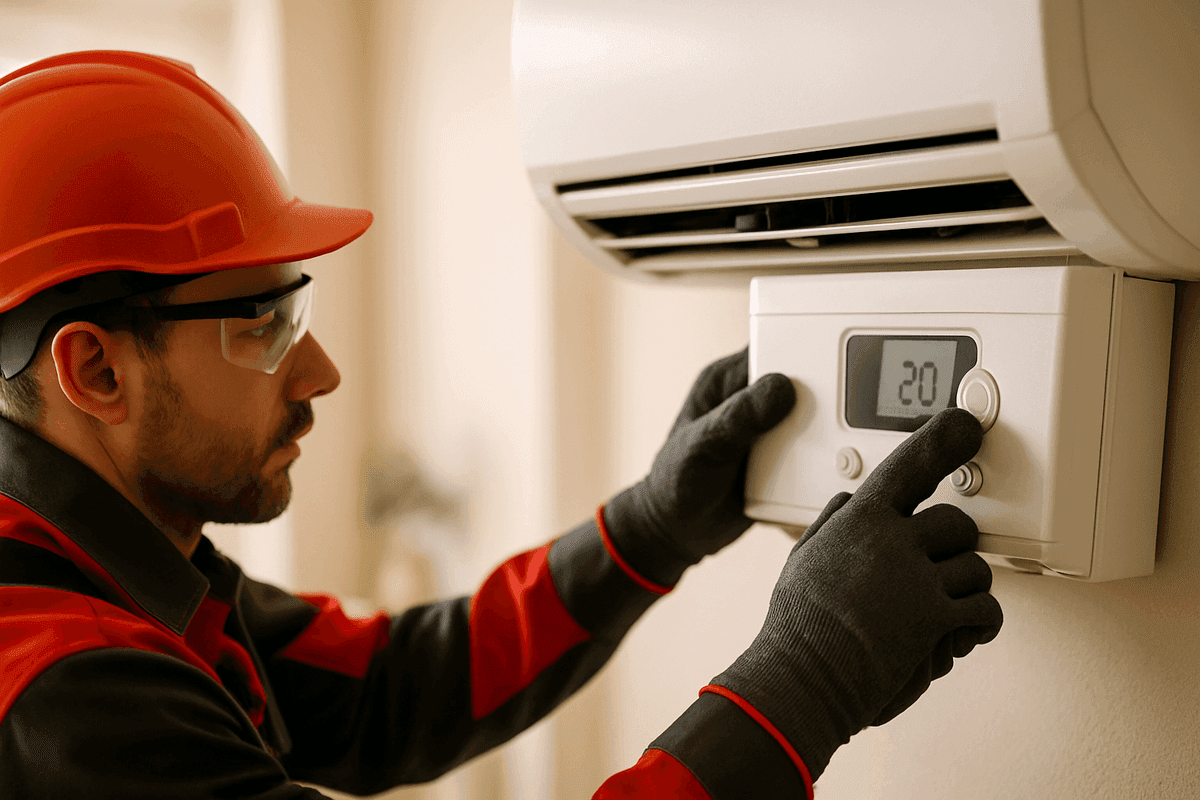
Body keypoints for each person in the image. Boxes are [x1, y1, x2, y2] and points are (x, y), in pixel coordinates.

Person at [0, 51, 1002, 799]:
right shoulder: (65, 691)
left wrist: (646, 530)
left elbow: (387, 687)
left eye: (293, 309)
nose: (320, 369)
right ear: (94, 368)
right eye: (260, 324)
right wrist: (812, 670)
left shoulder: (114, 562)